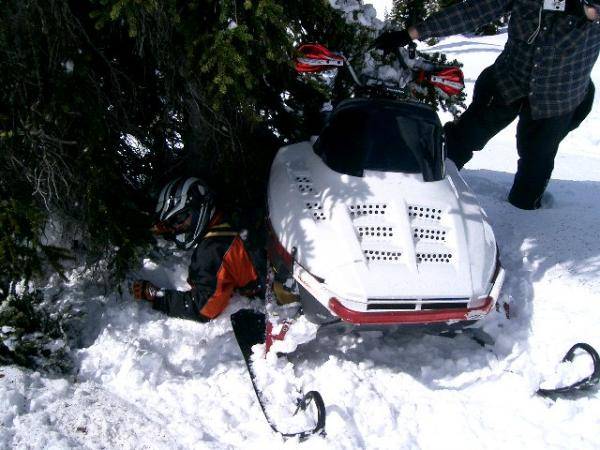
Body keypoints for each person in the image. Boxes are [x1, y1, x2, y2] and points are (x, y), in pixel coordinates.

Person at [373, 0, 599, 209]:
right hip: (507, 82)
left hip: (558, 97)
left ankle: (525, 213)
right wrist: (411, 33)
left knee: (537, 160)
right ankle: (423, 189)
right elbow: (474, 10)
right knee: (463, 138)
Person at [131, 177, 261, 322]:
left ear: (199, 208)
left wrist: (156, 296)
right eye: (172, 223)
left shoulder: (212, 250)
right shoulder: (232, 215)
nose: (177, 227)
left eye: (179, 219)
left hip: (272, 294)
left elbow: (203, 308)